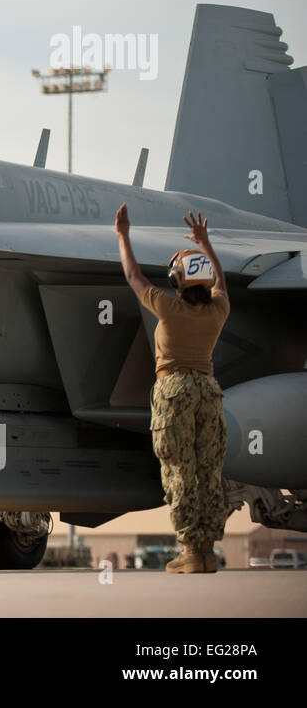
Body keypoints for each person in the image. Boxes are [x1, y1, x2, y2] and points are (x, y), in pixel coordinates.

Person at [115, 205, 230, 574]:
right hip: (209, 390)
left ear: (177, 281)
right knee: (208, 470)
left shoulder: (168, 309)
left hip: (175, 388)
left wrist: (122, 235)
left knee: (179, 470)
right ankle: (207, 551)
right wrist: (205, 244)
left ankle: (189, 550)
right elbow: (220, 283)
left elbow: (133, 275)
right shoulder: (218, 311)